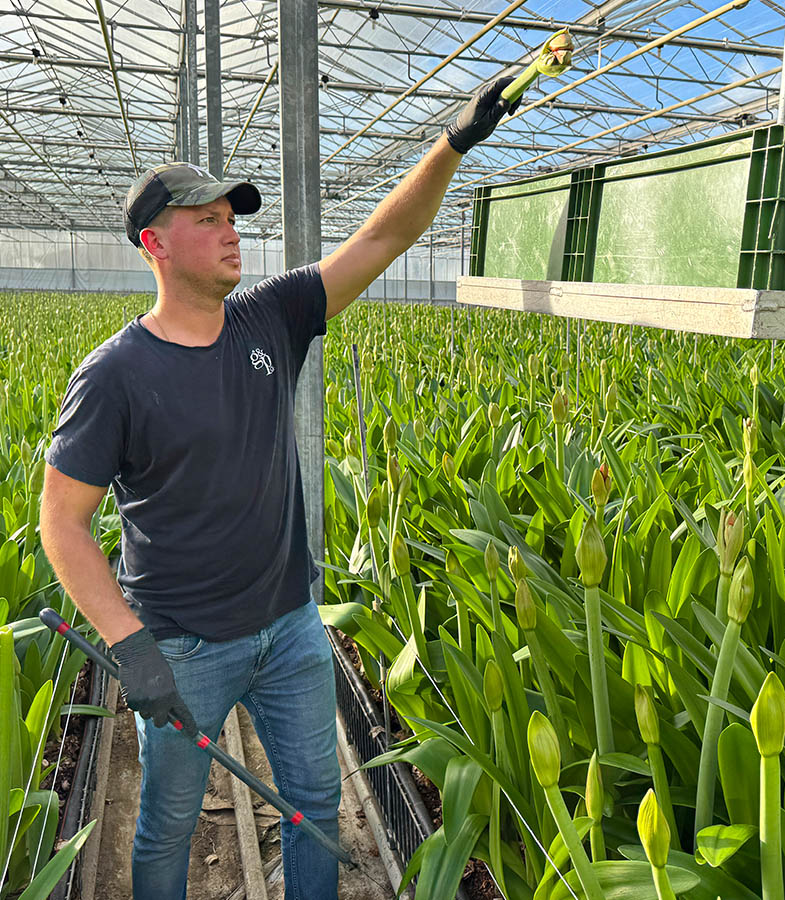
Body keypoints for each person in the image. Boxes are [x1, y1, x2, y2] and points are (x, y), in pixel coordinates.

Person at [38, 76, 519, 900]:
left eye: (233, 219)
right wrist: (130, 647)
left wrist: (454, 144)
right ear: (155, 244)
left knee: (315, 803)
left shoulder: (272, 317)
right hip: (183, 647)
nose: (233, 235)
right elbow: (64, 524)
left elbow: (380, 240)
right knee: (168, 825)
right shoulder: (115, 376)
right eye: (208, 221)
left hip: (291, 629)